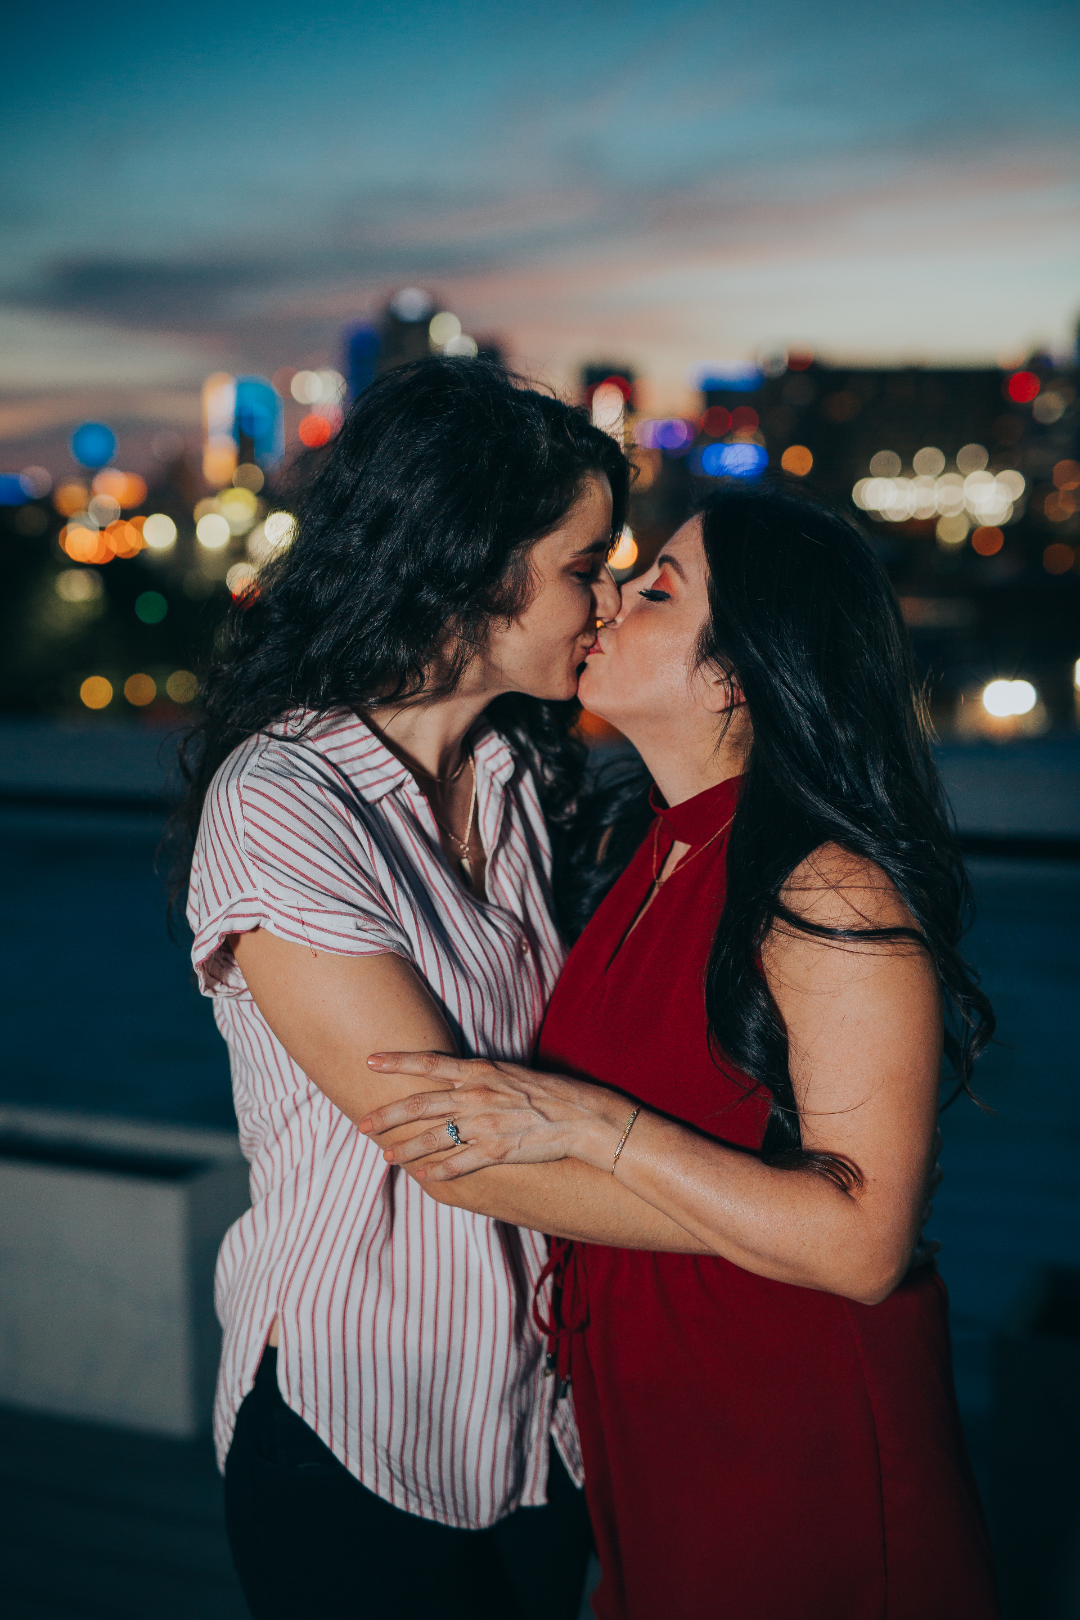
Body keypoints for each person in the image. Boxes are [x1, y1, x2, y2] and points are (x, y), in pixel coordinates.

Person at [358, 484, 1001, 1619]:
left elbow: (863, 1245)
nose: (608, 600)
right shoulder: (646, 856)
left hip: (796, 1444)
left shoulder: (825, 885)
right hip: (657, 1421)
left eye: (657, 589)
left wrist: (594, 1128)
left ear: (736, 674)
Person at [173, 356, 719, 1620]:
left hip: (537, 1417)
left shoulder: (519, 780)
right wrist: (784, 1231)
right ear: (477, 563)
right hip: (354, 1423)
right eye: (586, 566)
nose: (608, 598)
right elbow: (453, 1147)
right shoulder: (281, 799)